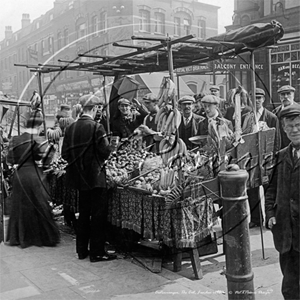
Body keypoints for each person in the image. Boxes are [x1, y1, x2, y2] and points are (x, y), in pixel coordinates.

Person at [62, 95, 117, 262]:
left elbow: (64, 154)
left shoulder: (71, 128)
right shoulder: (97, 127)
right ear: (93, 109)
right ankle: (97, 252)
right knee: (98, 216)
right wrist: (112, 147)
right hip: (96, 179)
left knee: (83, 214)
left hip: (79, 179)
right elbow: (105, 152)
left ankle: (81, 251)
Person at [6, 110, 60, 248]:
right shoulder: (38, 141)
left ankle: (19, 237)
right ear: (39, 125)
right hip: (34, 175)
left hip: (19, 175)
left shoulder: (15, 139)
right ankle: (43, 237)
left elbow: (9, 160)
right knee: (39, 204)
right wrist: (51, 150)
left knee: (20, 206)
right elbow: (44, 161)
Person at [265, 102, 300, 300]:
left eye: (298, 125)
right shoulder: (279, 157)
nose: (294, 130)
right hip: (286, 234)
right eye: (290, 126)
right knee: (289, 286)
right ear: (284, 129)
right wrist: (270, 214)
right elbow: (270, 189)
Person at [247, 88, 282, 228]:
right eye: (254, 98)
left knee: (269, 189)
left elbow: (277, 139)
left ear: (263, 100)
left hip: (268, 160)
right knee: (252, 189)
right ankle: (256, 219)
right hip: (252, 160)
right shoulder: (248, 117)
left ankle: (270, 218)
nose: (256, 101)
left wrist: (274, 158)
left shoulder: (271, 117)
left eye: (259, 98)